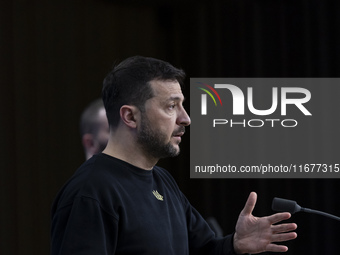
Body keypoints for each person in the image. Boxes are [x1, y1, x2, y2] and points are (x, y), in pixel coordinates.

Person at [51, 56, 297, 255]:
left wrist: (234, 245)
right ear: (130, 117)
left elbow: (204, 249)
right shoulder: (91, 192)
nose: (186, 118)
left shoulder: (162, 182)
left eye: (182, 105)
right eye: (171, 106)